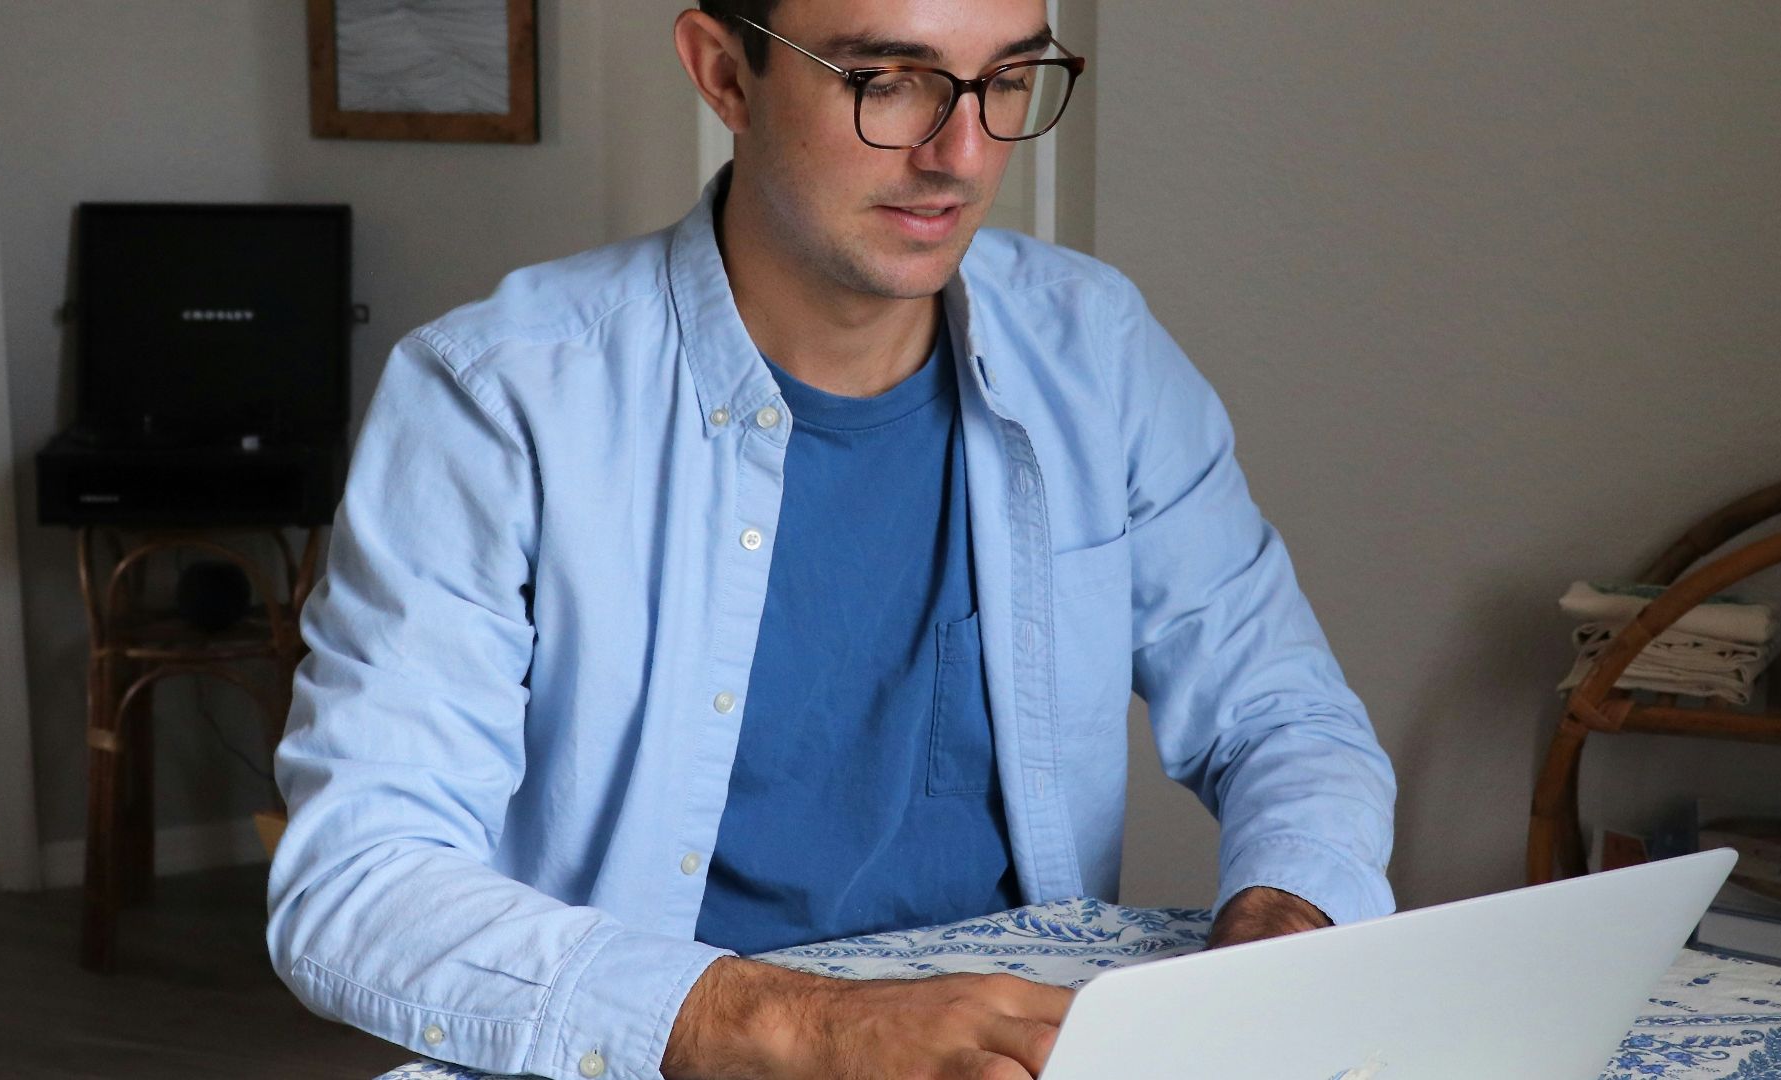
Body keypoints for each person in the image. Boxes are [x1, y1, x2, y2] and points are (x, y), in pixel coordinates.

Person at [265, 1, 1397, 1077]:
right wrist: (807, 1032)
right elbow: (357, 881)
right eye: (888, 80)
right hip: (688, 1056)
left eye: (1006, 79)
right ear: (724, 73)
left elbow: (1283, 717)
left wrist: (1284, 931)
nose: (960, 151)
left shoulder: (1094, 348)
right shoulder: (494, 398)